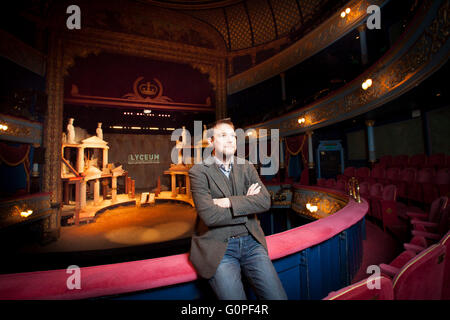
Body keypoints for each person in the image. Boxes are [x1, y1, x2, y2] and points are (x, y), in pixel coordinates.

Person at [188, 118, 287, 300]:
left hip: (251, 243)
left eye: (233, 136)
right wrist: (247, 205)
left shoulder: (247, 166)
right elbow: (209, 216)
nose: (231, 140)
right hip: (220, 248)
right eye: (223, 135)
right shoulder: (199, 172)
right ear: (211, 142)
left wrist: (227, 202)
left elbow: (265, 201)